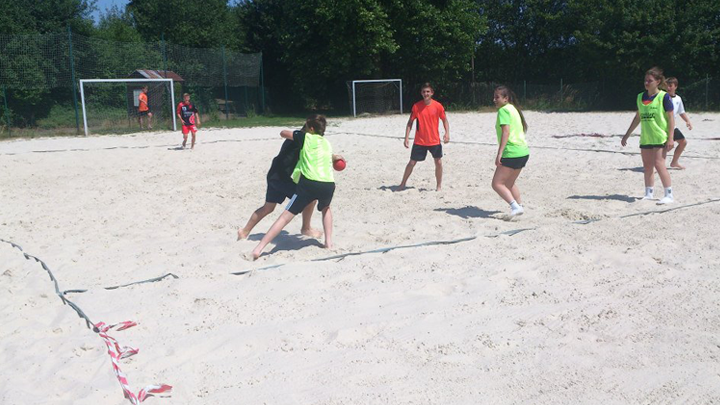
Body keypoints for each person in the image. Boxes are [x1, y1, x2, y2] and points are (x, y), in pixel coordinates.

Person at [251, 115, 342, 260]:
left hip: (309, 184)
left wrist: (299, 133)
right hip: (328, 184)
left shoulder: (305, 137)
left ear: (310, 129)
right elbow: (330, 157)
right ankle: (329, 243)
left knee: (285, 217)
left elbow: (283, 133)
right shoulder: (327, 143)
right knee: (326, 209)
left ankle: (259, 248)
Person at [237, 123, 321, 241]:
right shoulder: (299, 137)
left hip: (275, 175)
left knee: (268, 208)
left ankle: (244, 231)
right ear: (310, 129)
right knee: (310, 199)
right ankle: (306, 228)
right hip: (280, 178)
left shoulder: (301, 139)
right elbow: (284, 133)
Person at [621, 67, 675, 204]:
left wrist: (670, 138)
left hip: (659, 136)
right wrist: (626, 135)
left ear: (657, 81)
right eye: (645, 80)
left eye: (649, 81)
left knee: (659, 164)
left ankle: (668, 195)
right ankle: (648, 193)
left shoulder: (664, 97)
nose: (646, 83)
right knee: (647, 165)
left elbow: (671, 119)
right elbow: (637, 117)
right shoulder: (640, 97)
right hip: (646, 137)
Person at [399, 83, 450, 191]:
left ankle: (438, 186)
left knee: (438, 162)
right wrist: (406, 138)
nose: (426, 93)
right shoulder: (416, 106)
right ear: (421, 93)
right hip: (420, 141)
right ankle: (402, 184)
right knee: (412, 162)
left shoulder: (438, 106)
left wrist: (447, 133)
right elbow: (410, 122)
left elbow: (444, 120)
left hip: (434, 140)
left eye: (428, 91)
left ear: (432, 93)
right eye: (424, 92)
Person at [491, 85, 530, 217]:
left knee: (497, 184)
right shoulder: (513, 109)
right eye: (494, 97)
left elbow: (506, 132)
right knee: (509, 183)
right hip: (523, 152)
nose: (494, 100)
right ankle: (520, 206)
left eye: (497, 97)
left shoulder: (503, 110)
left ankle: (515, 206)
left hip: (512, 152)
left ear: (506, 98)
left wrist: (500, 153)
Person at [664, 77, 693, 169]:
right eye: (667, 86)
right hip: (662, 126)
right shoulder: (662, 97)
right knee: (665, 146)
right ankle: (656, 165)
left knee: (683, 142)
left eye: (670, 86)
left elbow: (681, 112)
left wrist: (687, 121)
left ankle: (674, 162)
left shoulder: (678, 99)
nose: (668, 88)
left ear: (675, 86)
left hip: (672, 126)